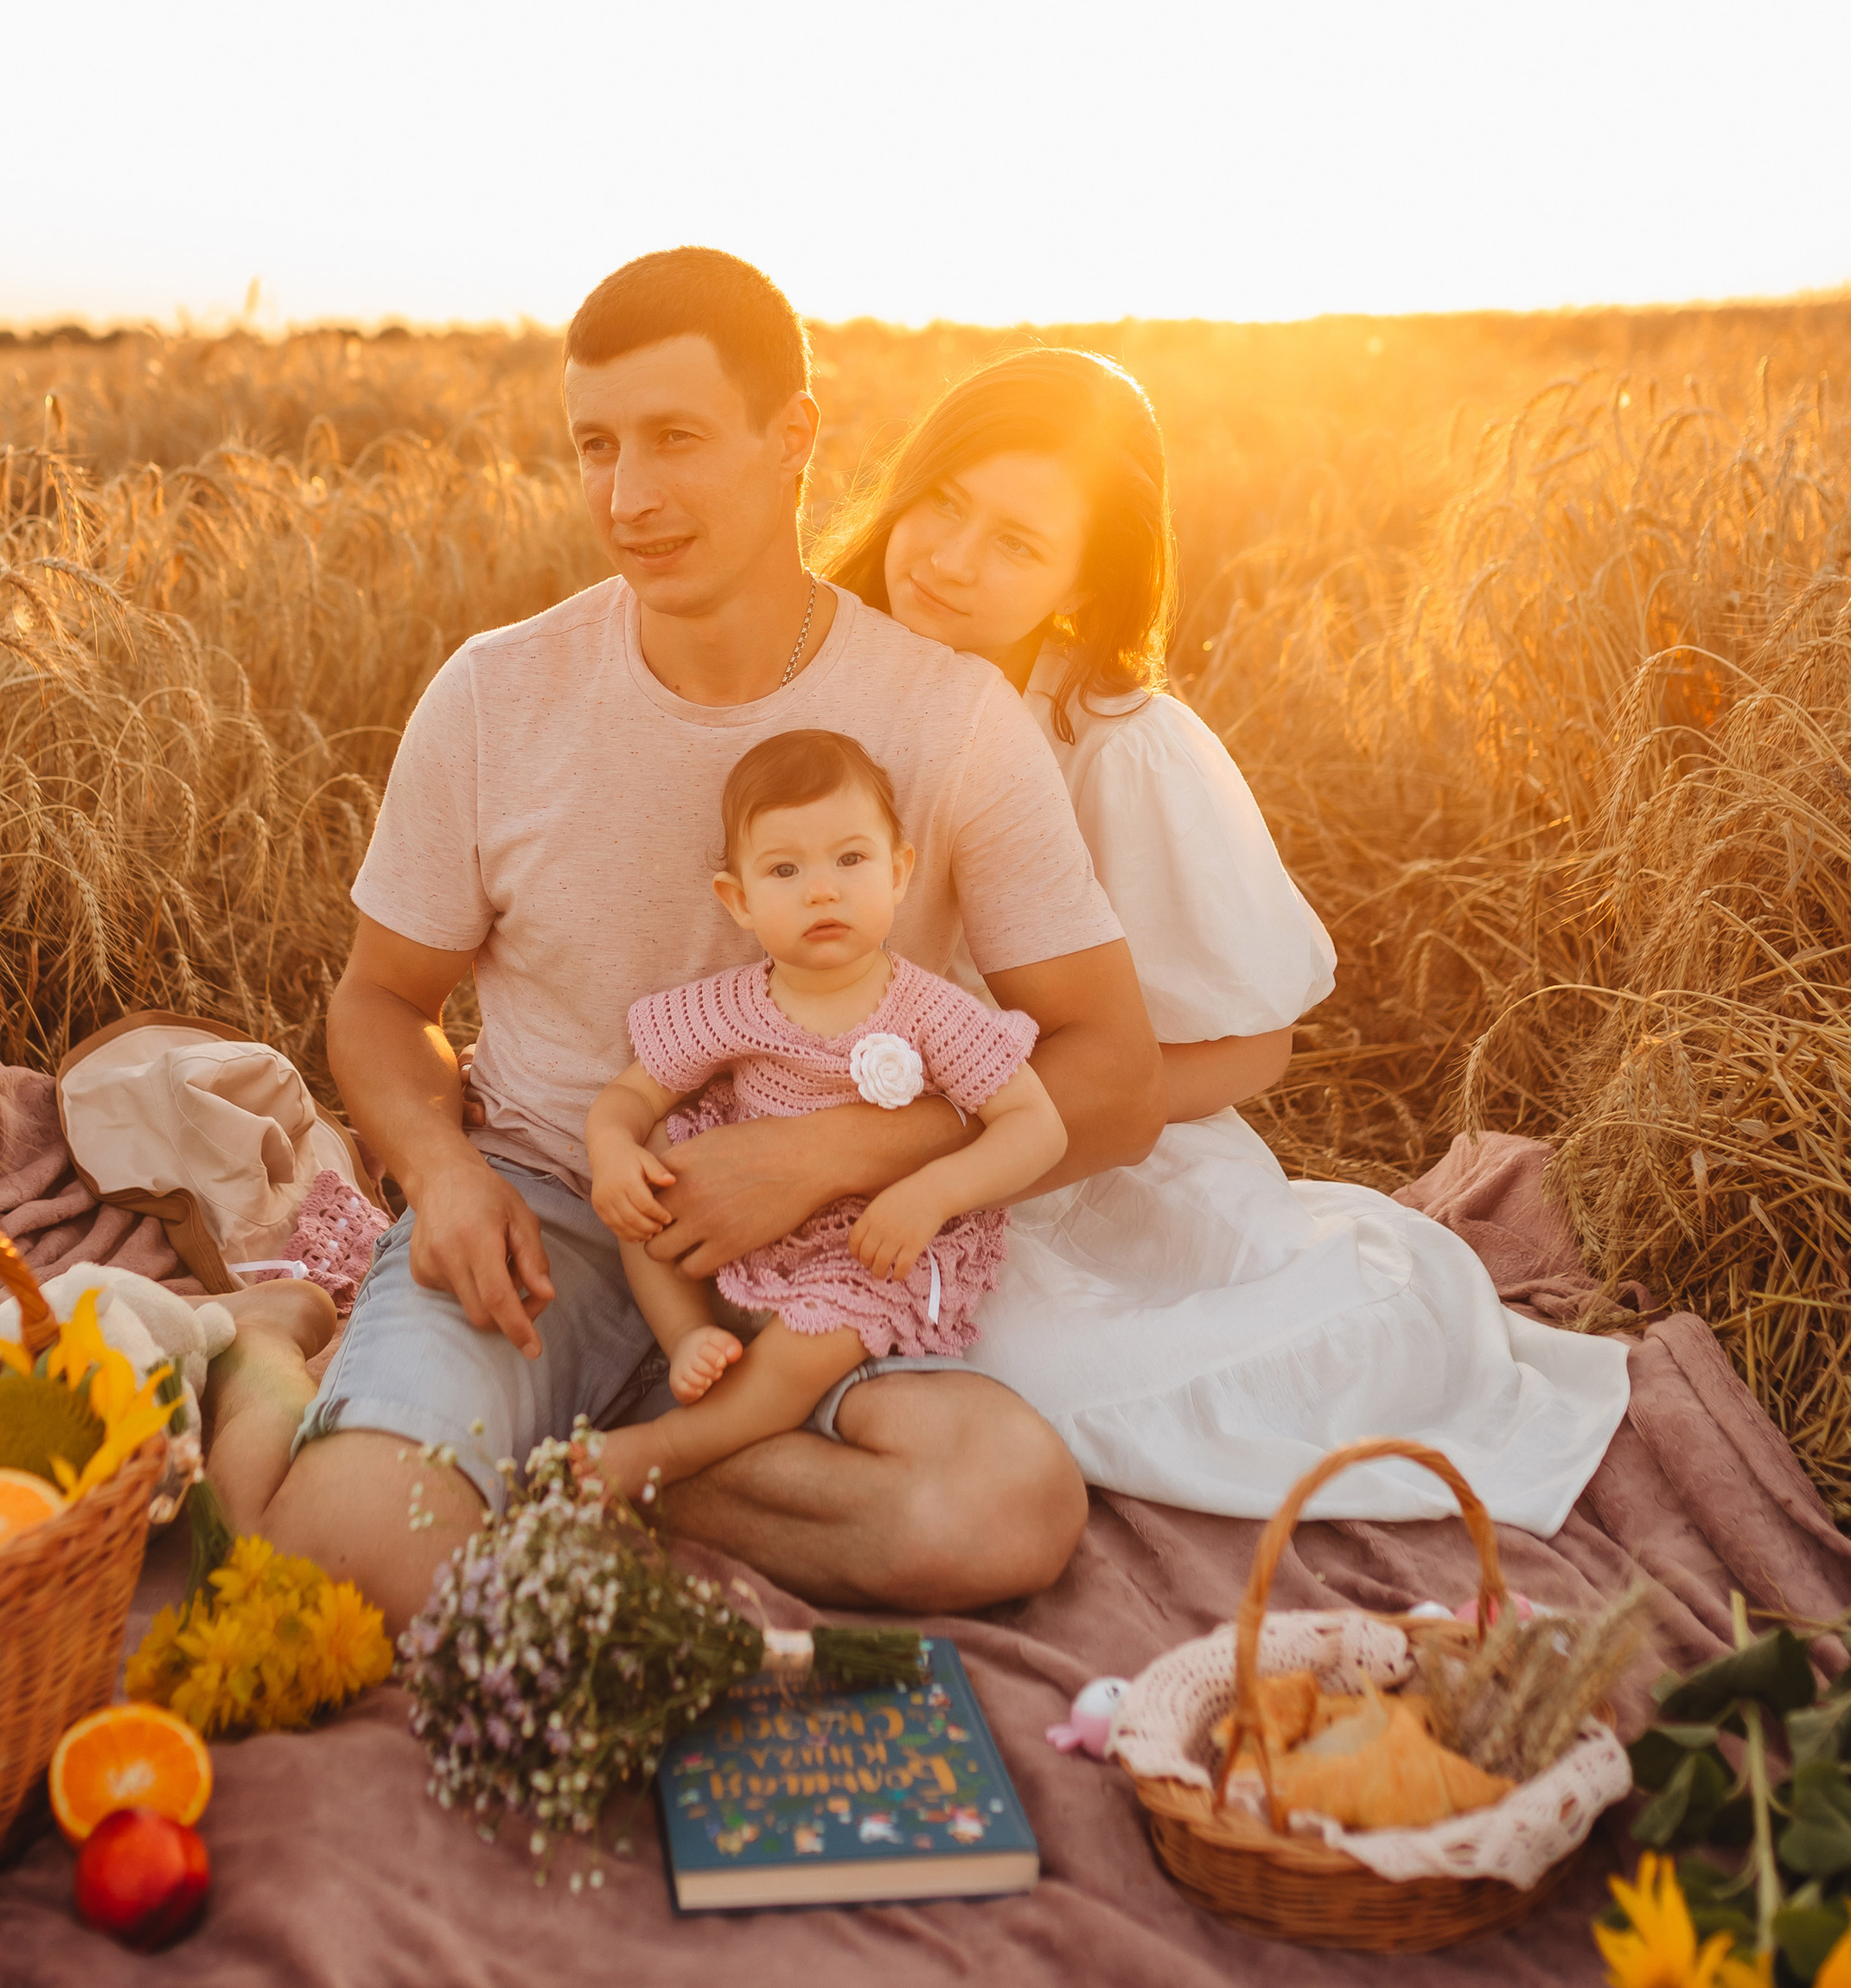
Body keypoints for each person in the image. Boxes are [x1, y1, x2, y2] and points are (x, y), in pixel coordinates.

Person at [201, 251, 1165, 1625]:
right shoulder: (493, 695)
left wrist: (831, 1151)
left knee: (1000, 1509)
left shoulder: (949, 718)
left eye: (675, 440)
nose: (627, 497)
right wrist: (441, 1173)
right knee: (355, 1562)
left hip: (834, 1263)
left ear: (795, 439)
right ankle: (293, 1357)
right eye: (595, 446)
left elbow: (1115, 1073)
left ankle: (571, 1454)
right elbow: (379, 1000)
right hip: (548, 1208)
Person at [822, 346, 1630, 1532]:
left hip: (1091, 1167)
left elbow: (1258, 1053)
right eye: (944, 505)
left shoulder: (1118, 744)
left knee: (1218, 1361)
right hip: (849, 1132)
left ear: (1079, 592)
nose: (950, 560)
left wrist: (994, 1138)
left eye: (1016, 543)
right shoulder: (817, 666)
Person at [578, 726, 1066, 1501]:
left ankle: (677, 1443)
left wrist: (931, 1193)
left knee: (815, 1341)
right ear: (737, 900)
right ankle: (685, 1336)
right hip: (738, 1213)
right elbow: (634, 1096)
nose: (822, 890)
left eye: (851, 859)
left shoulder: (930, 1011)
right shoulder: (730, 1005)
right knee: (653, 1171)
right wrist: (611, 1150)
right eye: (784, 869)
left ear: (899, 871)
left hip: (869, 1242)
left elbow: (1037, 1126)